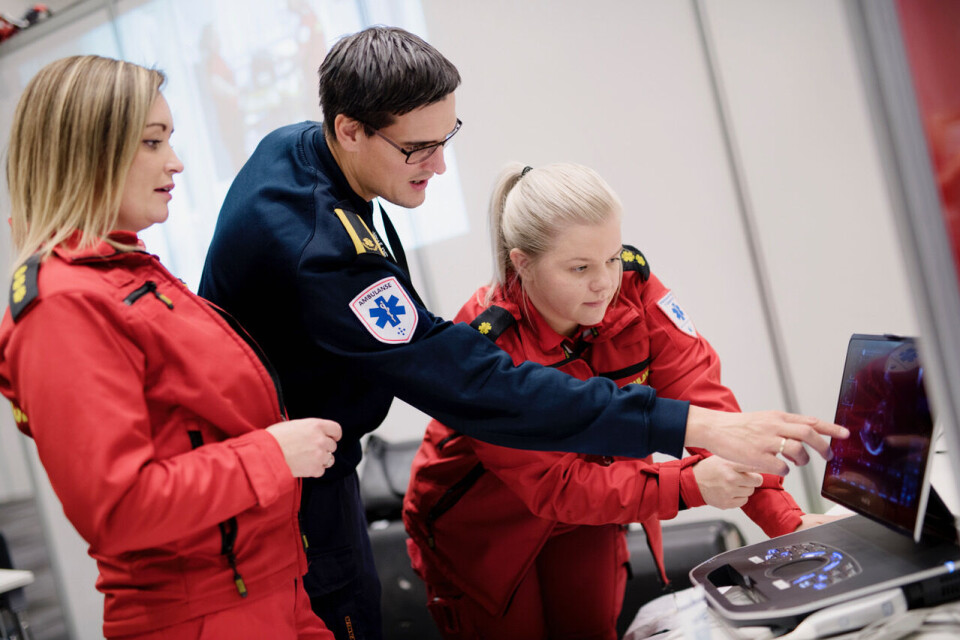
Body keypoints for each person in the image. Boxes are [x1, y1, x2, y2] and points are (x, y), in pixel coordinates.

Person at [197, 26, 847, 640]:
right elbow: (485, 394)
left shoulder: (304, 147)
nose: (441, 166)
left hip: (337, 464)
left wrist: (784, 522)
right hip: (304, 492)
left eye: (447, 136)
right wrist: (691, 442)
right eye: (417, 149)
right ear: (349, 129)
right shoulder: (326, 250)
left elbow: (699, 388)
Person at [402, 162, 841, 639]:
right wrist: (690, 484)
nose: (604, 283)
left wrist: (789, 524)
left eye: (612, 258)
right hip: (485, 527)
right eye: (580, 268)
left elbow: (707, 410)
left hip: (597, 504)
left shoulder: (633, 291)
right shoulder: (488, 345)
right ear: (522, 262)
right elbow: (556, 486)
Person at [0, 55, 342, 639]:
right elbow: (121, 507)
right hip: (204, 614)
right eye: (153, 142)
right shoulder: (63, 305)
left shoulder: (127, 272)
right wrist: (273, 456)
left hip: (266, 589)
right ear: (90, 152)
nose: (176, 163)